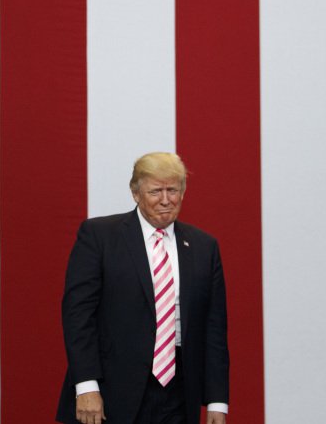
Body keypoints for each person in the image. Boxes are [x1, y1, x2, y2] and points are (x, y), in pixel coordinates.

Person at [56, 152, 229, 424]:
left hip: (180, 393)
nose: (165, 199)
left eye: (172, 190)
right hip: (111, 392)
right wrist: (87, 386)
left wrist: (217, 401)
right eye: (155, 191)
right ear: (135, 193)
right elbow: (78, 317)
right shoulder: (99, 236)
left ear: (183, 193)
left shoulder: (204, 247)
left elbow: (214, 329)